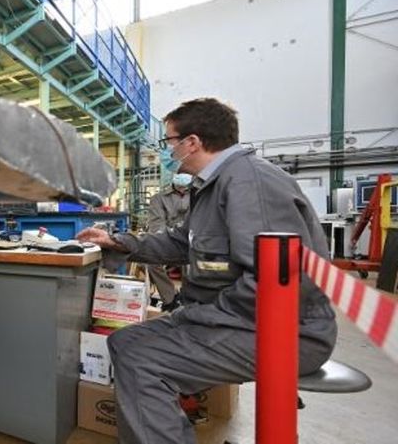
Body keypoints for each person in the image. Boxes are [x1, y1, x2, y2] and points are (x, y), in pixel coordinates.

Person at [76, 98, 337, 444]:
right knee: (127, 341)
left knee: (142, 357)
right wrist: (117, 241)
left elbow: (274, 284)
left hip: (286, 332)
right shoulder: (213, 185)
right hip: (244, 320)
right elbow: (183, 244)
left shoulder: (249, 184)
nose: (166, 151)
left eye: (168, 142)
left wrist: (198, 317)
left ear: (192, 142)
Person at [145, 172, 192, 311]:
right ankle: (170, 299)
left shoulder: (200, 195)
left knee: (194, 263)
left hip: (193, 240)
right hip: (170, 240)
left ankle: (190, 298)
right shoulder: (159, 198)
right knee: (151, 262)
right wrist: (168, 241)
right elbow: (157, 225)